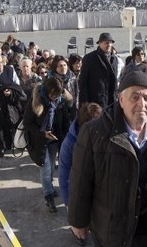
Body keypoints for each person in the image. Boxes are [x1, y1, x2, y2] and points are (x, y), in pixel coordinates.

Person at [68, 66, 147, 247]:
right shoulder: (94, 133)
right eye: (134, 97)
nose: (141, 104)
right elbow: (80, 179)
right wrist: (78, 220)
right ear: (121, 100)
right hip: (111, 228)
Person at [24, 76, 73, 213]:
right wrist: (42, 134)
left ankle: (49, 187)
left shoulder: (61, 101)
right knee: (45, 169)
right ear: (46, 91)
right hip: (39, 140)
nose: (54, 98)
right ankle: (49, 196)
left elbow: (65, 119)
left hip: (54, 139)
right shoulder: (36, 101)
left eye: (57, 95)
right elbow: (28, 123)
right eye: (52, 95)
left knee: (51, 166)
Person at [59, 102, 103, 245]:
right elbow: (64, 174)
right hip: (80, 189)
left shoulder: (106, 135)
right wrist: (68, 203)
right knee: (81, 227)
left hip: (99, 191)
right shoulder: (70, 143)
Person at [78, 32, 118, 116]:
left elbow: (114, 79)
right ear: (100, 43)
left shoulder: (114, 58)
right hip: (95, 100)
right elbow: (83, 82)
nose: (109, 45)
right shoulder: (90, 58)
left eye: (110, 42)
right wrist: (85, 103)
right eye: (106, 42)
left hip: (111, 100)